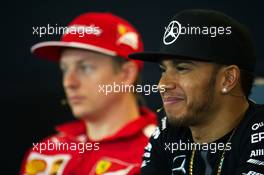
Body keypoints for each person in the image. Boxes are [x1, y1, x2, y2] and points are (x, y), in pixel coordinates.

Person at [129, 9, 264, 175]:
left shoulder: (259, 133)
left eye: (182, 68)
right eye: (163, 70)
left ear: (228, 79)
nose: (162, 84)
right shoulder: (168, 130)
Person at [20, 12, 157, 175]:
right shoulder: (44, 152)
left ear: (126, 74)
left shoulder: (159, 154)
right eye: (64, 69)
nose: (68, 82)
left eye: (85, 67)